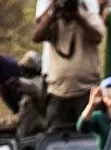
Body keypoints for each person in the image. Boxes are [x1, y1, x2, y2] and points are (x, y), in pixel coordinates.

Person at [33, 0, 105, 130]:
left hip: (86, 91)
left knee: (88, 135)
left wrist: (79, 17)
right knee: (57, 137)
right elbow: (36, 36)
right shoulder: (52, 21)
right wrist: (52, 13)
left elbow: (97, 37)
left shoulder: (89, 16)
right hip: (58, 92)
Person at [35, 0, 99, 74]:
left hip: (85, 72)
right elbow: (37, 34)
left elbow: (97, 32)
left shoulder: (89, 1)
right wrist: (53, 9)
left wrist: (78, 14)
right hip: (52, 70)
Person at [11, 51, 48, 137]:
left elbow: (34, 87)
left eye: (26, 69)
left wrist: (19, 83)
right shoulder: (27, 94)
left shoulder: (40, 82)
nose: (23, 72)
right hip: (27, 133)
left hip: (37, 134)